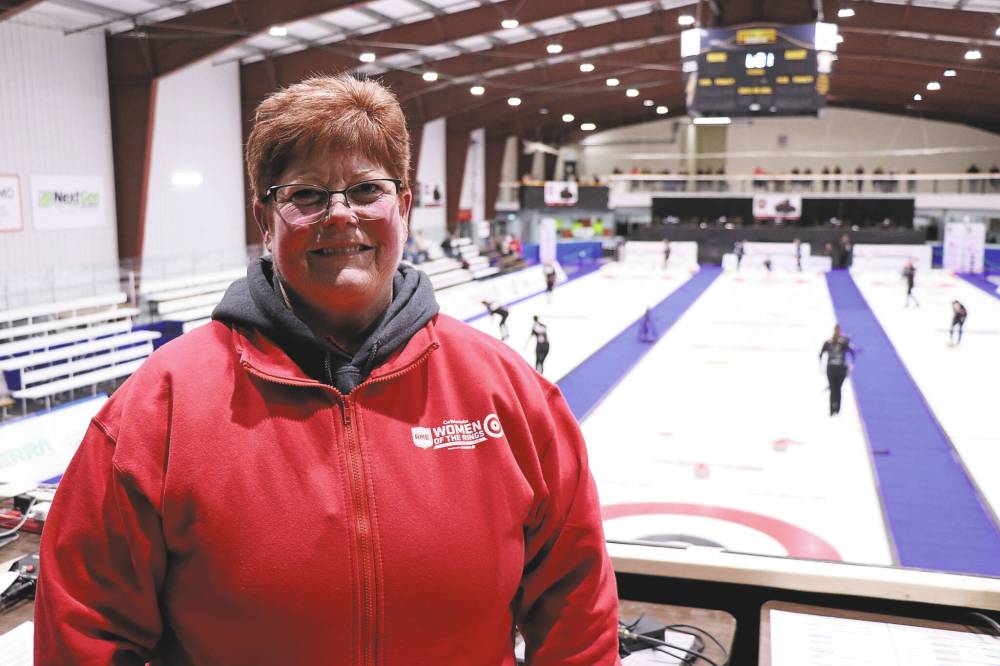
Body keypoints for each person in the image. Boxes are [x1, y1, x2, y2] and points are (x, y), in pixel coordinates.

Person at [34, 75, 619, 664]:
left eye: (366, 189)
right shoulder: (159, 407)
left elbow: (578, 618)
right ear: (265, 220)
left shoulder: (510, 395)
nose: (339, 215)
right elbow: (85, 628)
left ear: (404, 207)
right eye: (306, 195)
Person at [819, 324, 855, 416]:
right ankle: (837, 409)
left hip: (831, 368)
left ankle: (832, 409)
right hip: (840, 369)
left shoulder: (829, 342)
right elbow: (852, 352)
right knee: (838, 389)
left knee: (833, 389)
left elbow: (821, 354)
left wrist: (821, 366)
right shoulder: (843, 343)